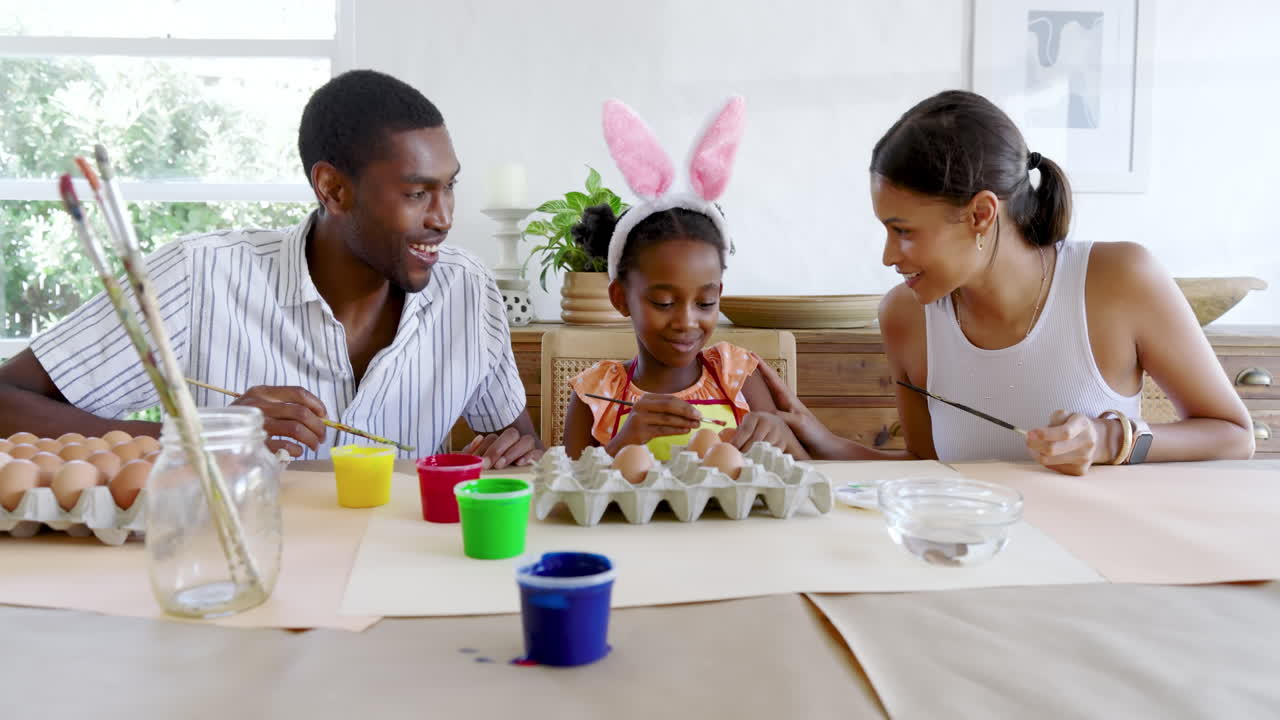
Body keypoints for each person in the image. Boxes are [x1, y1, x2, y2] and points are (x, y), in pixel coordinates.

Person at [0, 69, 542, 468]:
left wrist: (517, 454)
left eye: (449, 186)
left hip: (403, 573)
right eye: (417, 193)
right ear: (333, 188)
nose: (444, 218)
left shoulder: (467, 290)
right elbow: (7, 401)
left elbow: (518, 444)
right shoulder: (197, 277)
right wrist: (206, 437)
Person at [759, 90, 1254, 474]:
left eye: (903, 231)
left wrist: (1111, 440)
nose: (889, 256)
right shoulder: (906, 315)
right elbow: (929, 472)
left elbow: (1234, 435)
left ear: (980, 213)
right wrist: (825, 445)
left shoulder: (1119, 279)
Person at [562, 97, 804, 461]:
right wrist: (622, 445)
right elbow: (568, 487)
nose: (687, 321)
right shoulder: (595, 394)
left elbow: (795, 474)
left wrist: (781, 439)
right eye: (663, 302)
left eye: (705, 302)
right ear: (620, 298)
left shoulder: (736, 375)